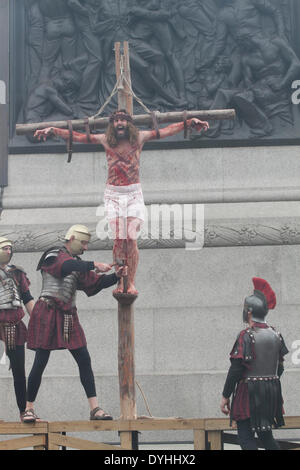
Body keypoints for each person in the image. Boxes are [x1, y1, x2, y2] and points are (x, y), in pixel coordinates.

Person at [34, 110, 209, 295]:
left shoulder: (139, 138)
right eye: (116, 120)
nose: (119, 124)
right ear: (112, 124)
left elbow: (166, 131)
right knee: (119, 238)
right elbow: (79, 136)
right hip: (113, 194)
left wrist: (188, 122)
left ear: (129, 124)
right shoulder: (105, 140)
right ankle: (120, 280)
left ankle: (131, 281)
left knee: (131, 238)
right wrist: (53, 130)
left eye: (123, 120)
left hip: (133, 193)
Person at [25, 224, 127, 422]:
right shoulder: (53, 254)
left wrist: (116, 276)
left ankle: (95, 409)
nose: (85, 247)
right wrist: (93, 263)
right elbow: (64, 267)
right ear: (71, 239)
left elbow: (94, 283)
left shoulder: (77, 263)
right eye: (83, 243)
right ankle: (28, 409)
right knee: (41, 361)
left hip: (68, 314)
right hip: (47, 311)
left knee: (83, 358)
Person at [220, 277, 288, 450]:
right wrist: (268, 383)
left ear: (249, 312)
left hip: (248, 393)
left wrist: (225, 396)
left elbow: (236, 370)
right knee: (266, 437)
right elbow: (279, 368)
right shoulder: (276, 335)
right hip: (269, 395)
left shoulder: (246, 335)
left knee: (245, 438)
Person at [0, 237, 35, 423]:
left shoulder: (17, 273)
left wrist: (37, 321)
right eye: (4, 248)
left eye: (9, 248)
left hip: (13, 324)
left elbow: (27, 298)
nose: (8, 251)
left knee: (19, 372)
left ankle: (24, 411)